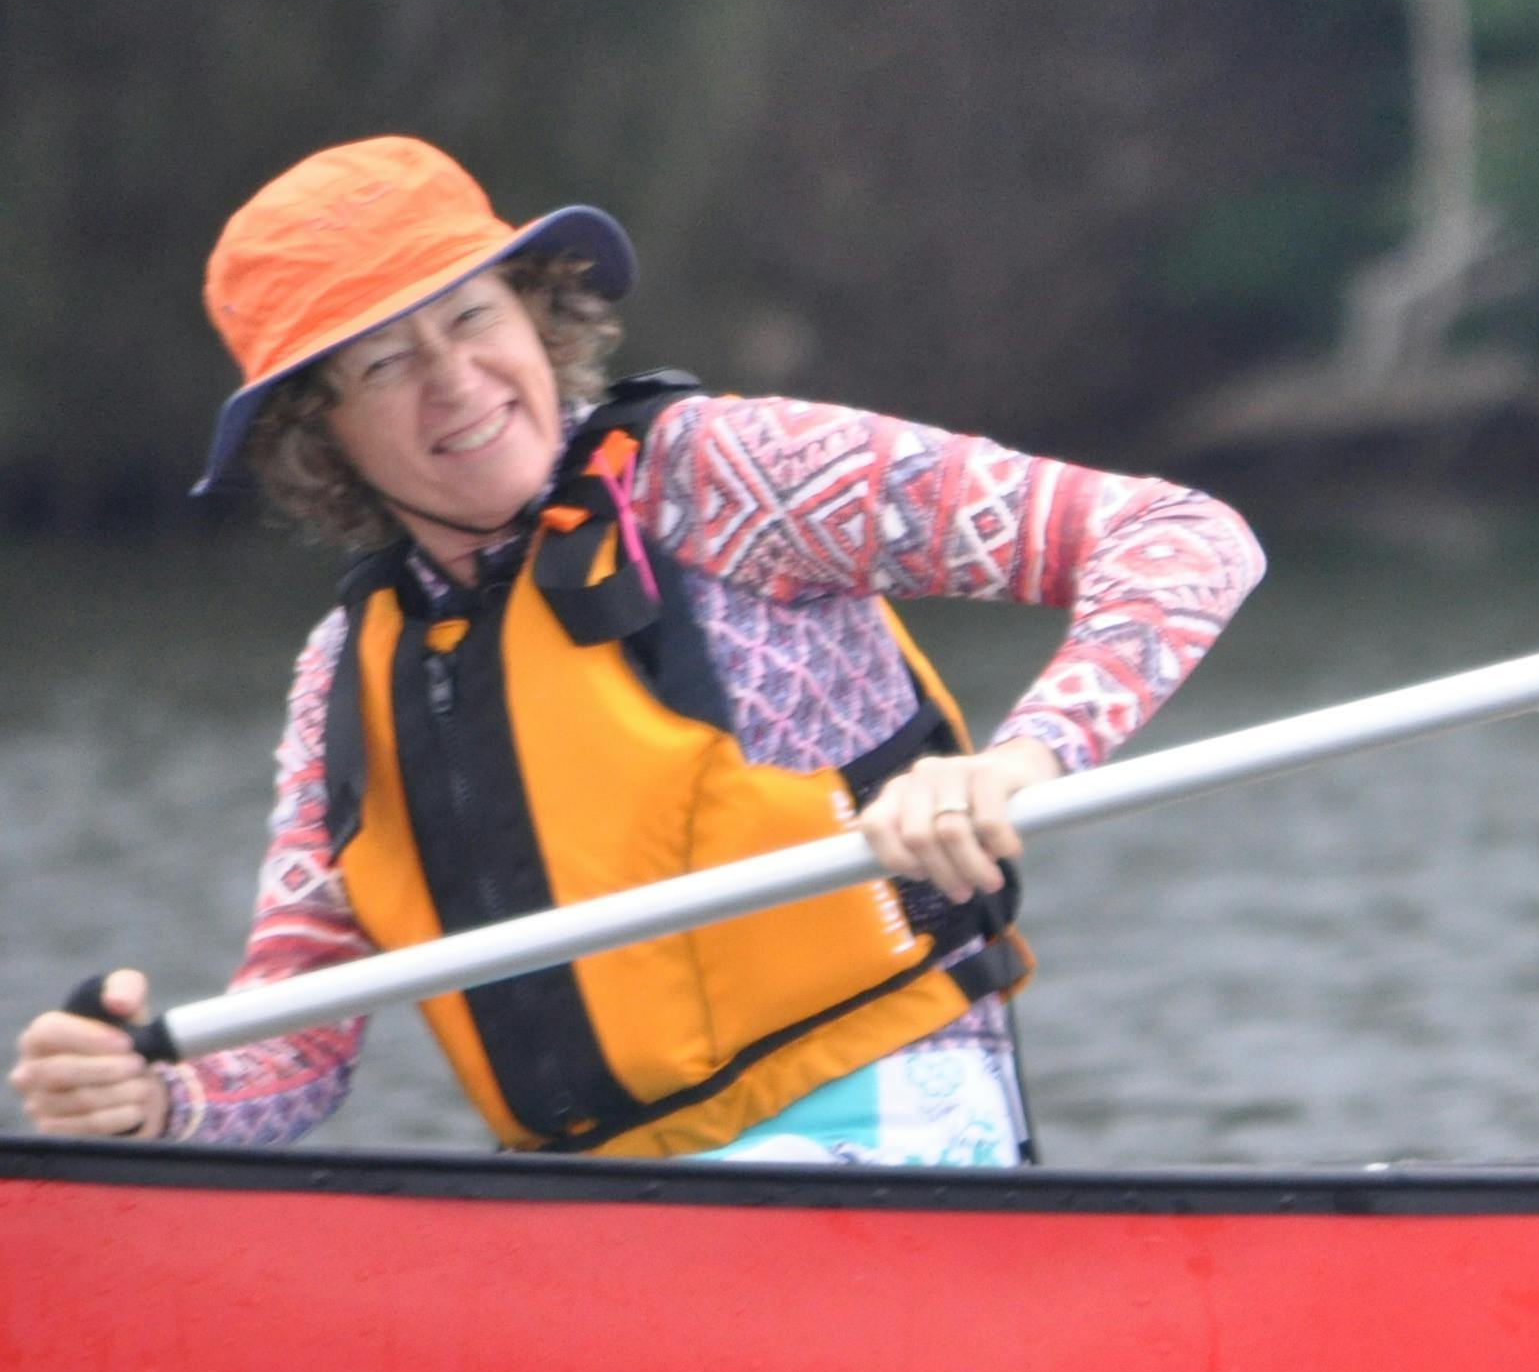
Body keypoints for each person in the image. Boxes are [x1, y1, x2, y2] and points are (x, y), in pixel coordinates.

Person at [8, 137, 1264, 1162]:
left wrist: (1019, 762)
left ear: (537, 315)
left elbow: (1181, 538)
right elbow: (298, 1038)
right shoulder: (347, 671)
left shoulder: (729, 476)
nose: (457, 380)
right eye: (386, 362)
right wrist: (154, 1100)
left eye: (471, 315)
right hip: (589, 1210)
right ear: (319, 434)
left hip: (877, 1117)